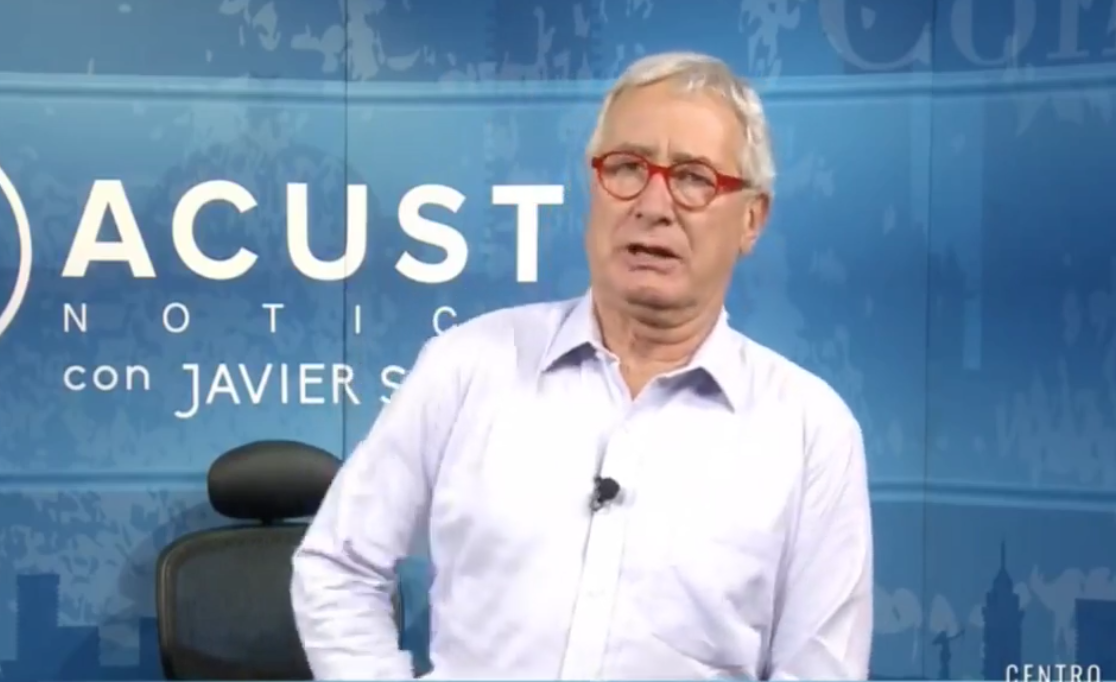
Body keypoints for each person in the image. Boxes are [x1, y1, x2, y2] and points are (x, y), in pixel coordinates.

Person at [291, 51, 873, 680]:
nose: (653, 204)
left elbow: (821, 670)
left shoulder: (809, 431)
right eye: (627, 168)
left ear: (751, 219)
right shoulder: (467, 366)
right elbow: (338, 566)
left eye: (694, 178)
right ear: (594, 186)